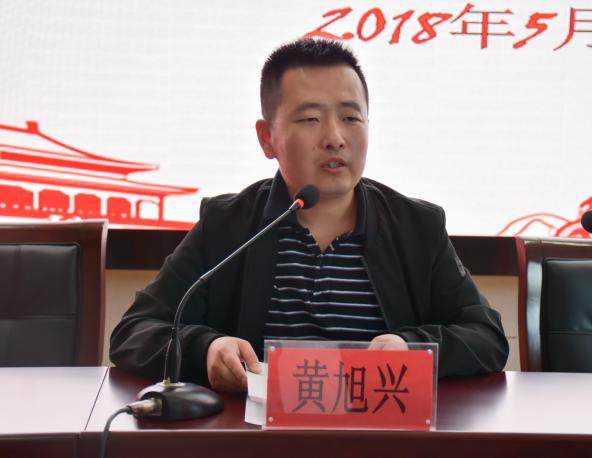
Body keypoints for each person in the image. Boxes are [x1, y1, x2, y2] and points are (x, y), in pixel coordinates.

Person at [110, 38, 509, 392]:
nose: (335, 137)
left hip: (380, 434)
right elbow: (134, 332)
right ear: (267, 138)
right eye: (310, 119)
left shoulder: (416, 227)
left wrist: (413, 347)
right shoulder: (227, 225)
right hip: (256, 436)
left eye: (351, 118)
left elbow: (487, 337)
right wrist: (207, 349)